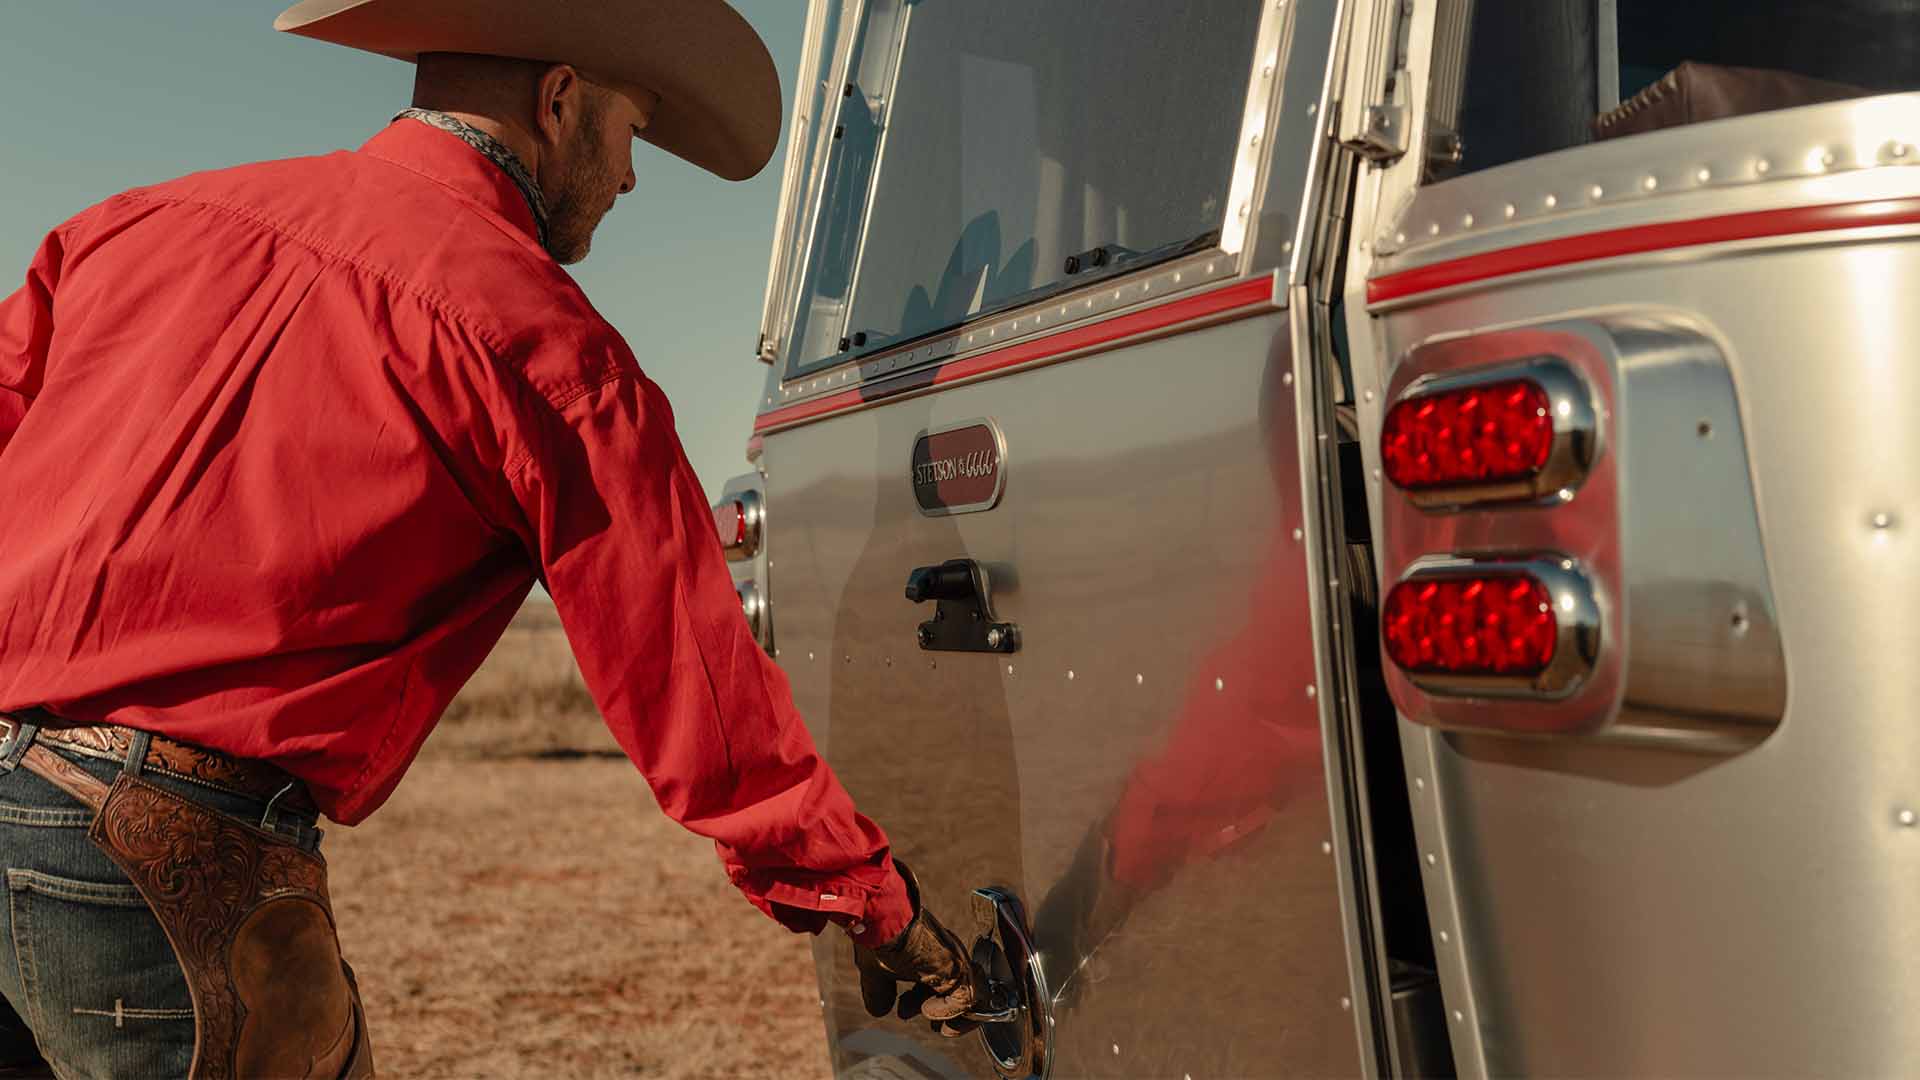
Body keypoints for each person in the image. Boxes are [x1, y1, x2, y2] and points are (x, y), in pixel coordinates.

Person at [0, 1, 979, 1075]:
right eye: (631, 131)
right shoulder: (548, 349)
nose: (630, 178)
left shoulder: (130, 227)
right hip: (160, 857)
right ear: (558, 102)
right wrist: (864, 895)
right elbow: (691, 678)